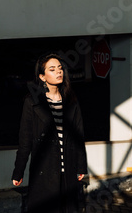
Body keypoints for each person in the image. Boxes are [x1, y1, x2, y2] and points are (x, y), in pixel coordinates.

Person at [11, 53, 88, 213]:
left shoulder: (71, 100)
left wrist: (81, 166)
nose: (58, 72)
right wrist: (18, 172)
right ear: (42, 76)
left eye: (60, 68)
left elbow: (79, 136)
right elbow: (25, 141)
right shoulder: (32, 103)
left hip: (68, 169)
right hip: (43, 172)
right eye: (52, 69)